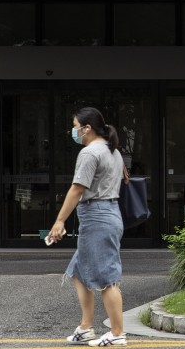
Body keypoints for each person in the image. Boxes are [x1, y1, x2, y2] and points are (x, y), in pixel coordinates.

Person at [47, 107, 127, 347]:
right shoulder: (113, 151)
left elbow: (77, 189)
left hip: (98, 216)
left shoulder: (90, 153)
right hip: (106, 213)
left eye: (75, 126)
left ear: (87, 128)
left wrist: (59, 221)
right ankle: (86, 327)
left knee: (106, 277)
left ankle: (117, 333)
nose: (73, 131)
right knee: (78, 272)